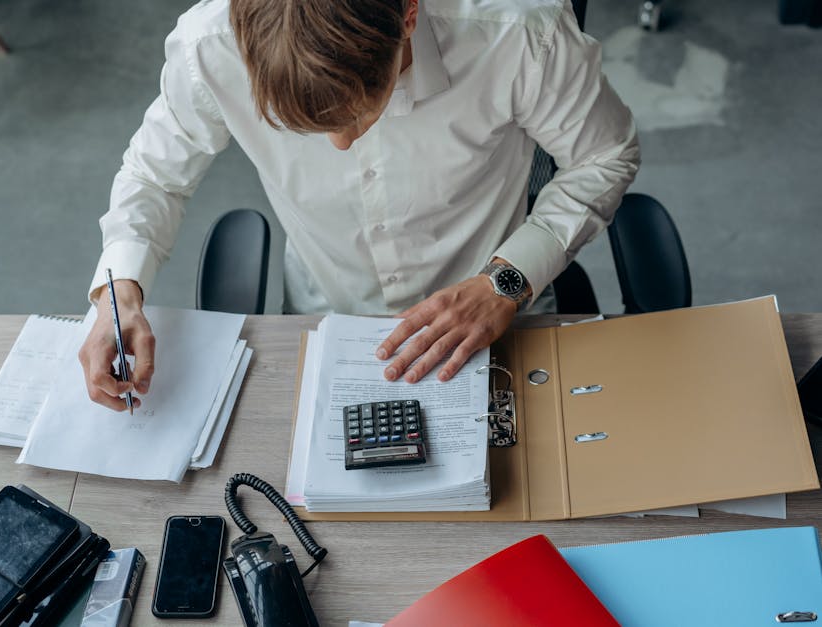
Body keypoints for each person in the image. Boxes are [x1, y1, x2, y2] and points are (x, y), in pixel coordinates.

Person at [79, 0, 640, 411]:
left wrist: (507, 282)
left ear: (409, 17)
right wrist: (118, 294)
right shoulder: (210, 46)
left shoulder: (518, 31)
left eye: (360, 115)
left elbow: (605, 155)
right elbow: (153, 175)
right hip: (324, 316)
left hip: (501, 314)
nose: (342, 146)